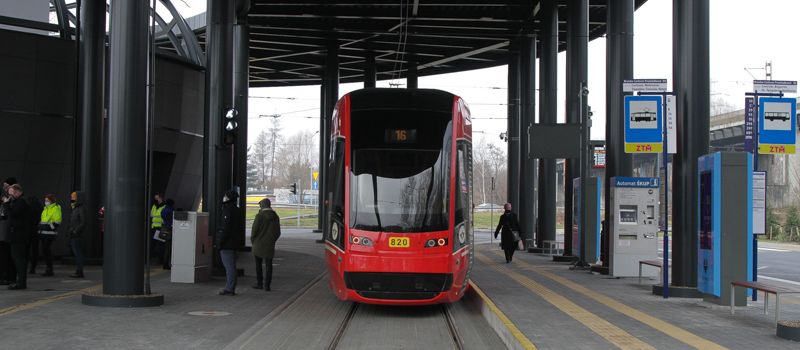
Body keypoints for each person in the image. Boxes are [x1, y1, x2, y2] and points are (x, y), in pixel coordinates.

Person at [250, 198, 281, 291]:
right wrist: (272, 240)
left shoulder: (259, 216)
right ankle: (267, 285)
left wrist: (253, 241)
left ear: (262, 206)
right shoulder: (275, 216)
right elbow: (278, 232)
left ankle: (259, 283)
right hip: (269, 244)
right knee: (269, 265)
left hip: (258, 244)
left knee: (258, 265)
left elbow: (254, 231)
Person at [216, 189, 242, 296]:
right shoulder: (236, 209)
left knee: (229, 266)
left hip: (228, 243)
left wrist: (219, 241)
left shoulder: (227, 210)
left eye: (225, 196)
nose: (224, 197)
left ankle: (230, 288)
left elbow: (225, 228)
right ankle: (230, 287)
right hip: (234, 242)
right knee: (231, 266)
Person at [5, 184, 32, 289]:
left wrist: (7, 204)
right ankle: (20, 281)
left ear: (19, 192)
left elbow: (13, 214)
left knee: (19, 259)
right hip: (17, 234)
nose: (11, 195)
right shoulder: (17, 201)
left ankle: (21, 283)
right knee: (17, 258)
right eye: (10, 193)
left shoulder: (21, 202)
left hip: (19, 235)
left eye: (13, 193)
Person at [36, 194, 62, 276]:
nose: (45, 202)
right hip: (43, 233)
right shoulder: (45, 209)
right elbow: (43, 220)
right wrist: (40, 226)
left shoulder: (56, 208)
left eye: (47, 200)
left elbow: (57, 222)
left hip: (49, 233)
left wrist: (47, 226)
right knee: (45, 251)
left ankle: (49, 269)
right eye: (45, 200)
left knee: (47, 251)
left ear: (51, 201)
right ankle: (48, 269)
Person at [0, 178, 17, 285]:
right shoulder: (5, 201)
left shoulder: (12, 201)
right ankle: (6, 276)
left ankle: (9, 277)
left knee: (7, 256)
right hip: (3, 233)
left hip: (6, 234)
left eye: (6, 186)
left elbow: (9, 216)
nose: (4, 188)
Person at [67, 191, 86, 278]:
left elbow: (83, 222)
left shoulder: (81, 208)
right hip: (73, 234)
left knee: (78, 253)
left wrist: (76, 231)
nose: (71, 198)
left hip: (77, 235)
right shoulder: (75, 208)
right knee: (77, 253)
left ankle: (79, 272)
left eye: (73, 196)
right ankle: (78, 271)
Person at [25, 195, 43, 274]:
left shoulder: (28, 208)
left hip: (28, 230)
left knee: (27, 249)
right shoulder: (40, 208)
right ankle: (33, 267)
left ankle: (27, 266)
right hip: (36, 230)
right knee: (35, 250)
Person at [149, 193, 166, 266]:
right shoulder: (154, 206)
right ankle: (153, 258)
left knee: (160, 244)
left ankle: (160, 259)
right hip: (154, 227)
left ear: (161, 198)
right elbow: (151, 215)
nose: (155, 199)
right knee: (153, 243)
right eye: (155, 198)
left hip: (160, 227)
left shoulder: (164, 206)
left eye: (157, 198)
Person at [160, 199, 175, 270]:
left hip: (164, 229)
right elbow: (173, 220)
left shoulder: (163, 210)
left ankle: (164, 262)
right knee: (168, 248)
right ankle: (165, 264)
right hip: (170, 230)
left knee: (165, 247)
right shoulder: (171, 211)